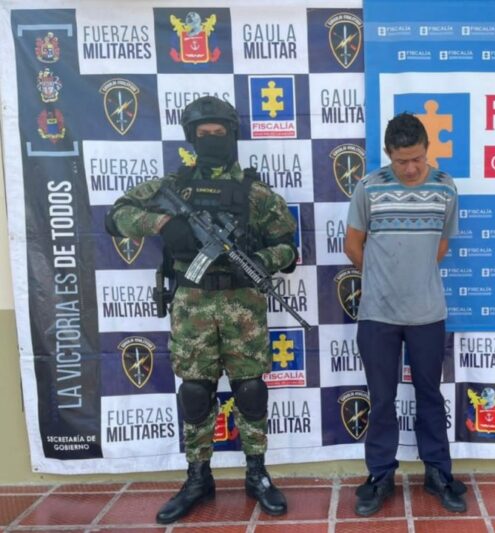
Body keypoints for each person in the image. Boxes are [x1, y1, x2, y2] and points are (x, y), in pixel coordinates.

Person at [105, 96, 297, 524]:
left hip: (243, 307)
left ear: (233, 136)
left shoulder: (256, 193)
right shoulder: (172, 189)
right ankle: (197, 477)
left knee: (249, 390)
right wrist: (161, 224)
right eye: (203, 134)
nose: (212, 140)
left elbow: (288, 248)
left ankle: (256, 473)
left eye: (220, 133)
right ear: (191, 138)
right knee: (194, 394)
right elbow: (115, 216)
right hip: (191, 307)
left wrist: (259, 261)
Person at [344, 112, 466, 516]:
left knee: (431, 396)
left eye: (417, 158)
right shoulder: (368, 187)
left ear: (427, 150)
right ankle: (380, 475)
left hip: (428, 313)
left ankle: (437, 472)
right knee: (381, 399)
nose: (411, 168)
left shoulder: (446, 188)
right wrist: (382, 280)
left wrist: (414, 278)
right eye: (401, 160)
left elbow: (441, 246)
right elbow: (352, 244)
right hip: (377, 314)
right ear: (388, 155)